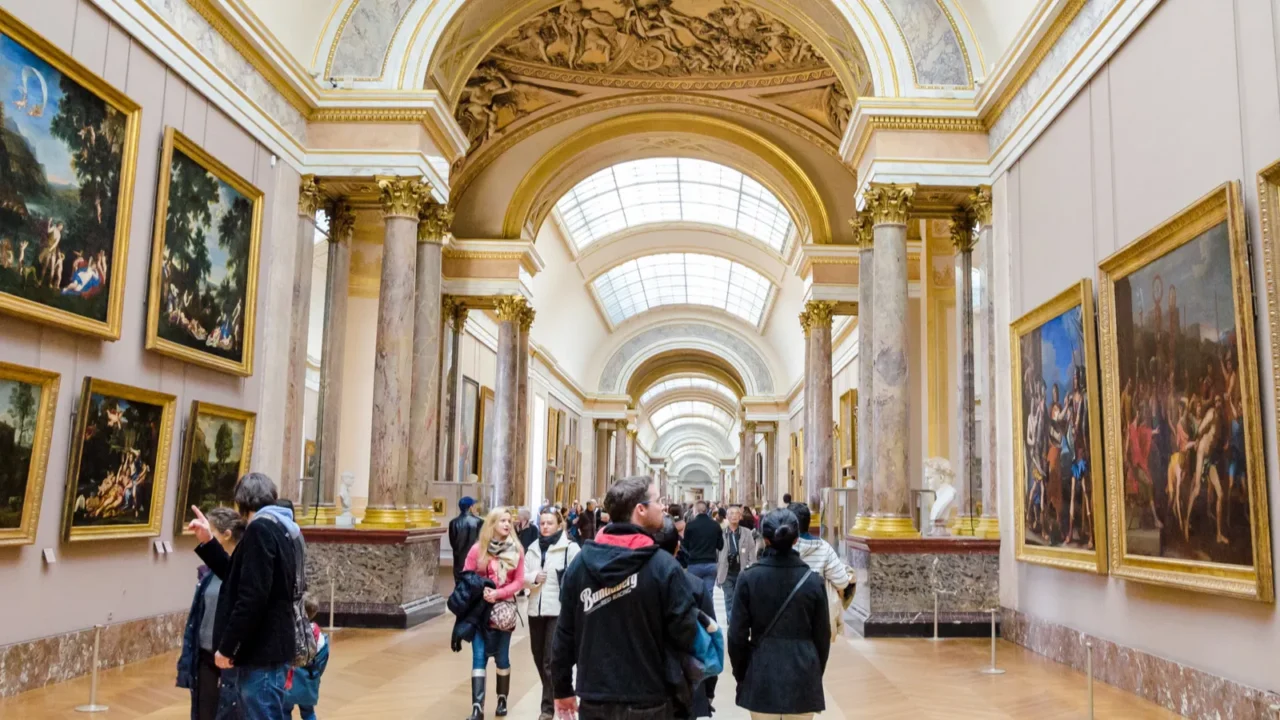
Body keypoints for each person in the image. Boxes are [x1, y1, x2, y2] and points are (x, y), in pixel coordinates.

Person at [552, 476, 699, 719]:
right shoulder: (663, 566)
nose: (662, 506)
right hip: (648, 694)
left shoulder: (580, 565)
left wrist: (562, 687)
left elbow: (564, 632)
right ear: (640, 509)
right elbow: (685, 631)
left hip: (594, 694)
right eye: (657, 500)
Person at [189, 473, 300, 720]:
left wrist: (227, 648)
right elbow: (239, 579)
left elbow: (251, 598)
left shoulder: (260, 529)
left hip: (261, 652)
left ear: (241, 501)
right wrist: (209, 542)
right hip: (271, 649)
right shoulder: (280, 526)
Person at [728, 509, 831, 720]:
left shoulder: (748, 578)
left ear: (765, 540)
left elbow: (736, 636)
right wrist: (814, 672)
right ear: (796, 540)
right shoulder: (813, 581)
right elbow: (822, 637)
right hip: (803, 668)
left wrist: (742, 673)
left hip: (761, 667)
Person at [177, 507, 244, 720]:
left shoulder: (244, 570)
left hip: (231, 661)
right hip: (205, 659)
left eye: (211, 530)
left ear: (226, 535)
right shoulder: (208, 573)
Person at [463, 507, 526, 720]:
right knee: (478, 656)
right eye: (502, 521)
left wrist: (499, 592)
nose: (507, 524)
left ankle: (502, 699)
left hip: (503, 610)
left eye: (509, 521)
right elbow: (467, 577)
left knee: (502, 657)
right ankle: (477, 706)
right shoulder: (477, 550)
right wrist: (482, 590)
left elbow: (518, 581)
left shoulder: (516, 549)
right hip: (480, 611)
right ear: (492, 524)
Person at [652, 517, 718, 719]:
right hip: (688, 677)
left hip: (646, 679)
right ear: (677, 547)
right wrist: (709, 689)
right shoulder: (695, 586)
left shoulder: (633, 584)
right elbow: (710, 639)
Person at [524, 508, 581, 720]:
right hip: (535, 609)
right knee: (538, 657)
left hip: (557, 610)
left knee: (550, 660)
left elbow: (578, 577)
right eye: (543, 523)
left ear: (559, 525)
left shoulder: (570, 548)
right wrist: (532, 577)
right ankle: (556, 692)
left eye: (550, 523)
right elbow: (521, 576)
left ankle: (547, 708)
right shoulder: (532, 548)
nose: (546, 526)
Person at [789, 503, 852, 641]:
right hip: (818, 614)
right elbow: (842, 581)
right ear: (809, 522)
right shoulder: (824, 548)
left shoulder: (784, 547)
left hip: (789, 614)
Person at [283, 597, 330, 720]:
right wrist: (316, 675)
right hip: (310, 680)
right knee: (309, 713)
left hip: (290, 681)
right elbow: (322, 661)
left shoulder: (291, 631)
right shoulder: (320, 637)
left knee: (284, 712)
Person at [717, 505, 757, 624]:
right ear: (727, 517)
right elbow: (716, 554)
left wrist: (751, 569)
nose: (734, 516)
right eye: (731, 513)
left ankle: (736, 619)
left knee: (739, 598)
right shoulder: (721, 533)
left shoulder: (747, 533)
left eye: (736, 514)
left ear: (740, 517)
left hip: (742, 571)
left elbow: (752, 552)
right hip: (726, 571)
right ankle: (732, 621)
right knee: (728, 598)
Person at [683, 501, 723, 602]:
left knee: (694, 594)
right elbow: (720, 546)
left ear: (695, 511)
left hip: (694, 563)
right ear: (706, 510)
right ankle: (708, 616)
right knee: (709, 594)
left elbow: (685, 546)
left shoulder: (690, 525)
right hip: (711, 563)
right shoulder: (715, 525)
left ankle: (696, 617)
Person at [449, 497, 483, 582]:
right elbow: (482, 541)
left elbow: (452, 542)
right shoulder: (479, 522)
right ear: (470, 507)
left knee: (459, 583)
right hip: (475, 558)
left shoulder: (453, 522)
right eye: (474, 505)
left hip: (458, 559)